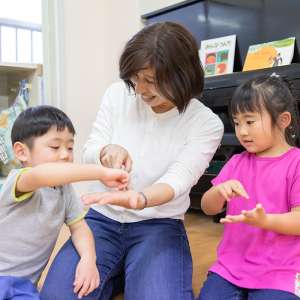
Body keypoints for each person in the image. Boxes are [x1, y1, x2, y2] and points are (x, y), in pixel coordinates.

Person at [41, 21, 224, 300]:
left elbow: (178, 179)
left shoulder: (205, 123)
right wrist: (107, 151)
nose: (139, 89)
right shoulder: (118, 94)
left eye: (150, 80)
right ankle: (128, 272)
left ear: (182, 75)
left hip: (159, 225)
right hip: (102, 220)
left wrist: (139, 199)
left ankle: (129, 271)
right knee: (57, 296)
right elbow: (92, 147)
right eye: (136, 78)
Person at [0, 105, 129, 300]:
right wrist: (101, 172)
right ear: (22, 152)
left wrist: (88, 259)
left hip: (24, 287)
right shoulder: (19, 180)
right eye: (55, 147)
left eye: (70, 147)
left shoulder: (64, 190)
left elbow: (80, 228)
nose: (65, 155)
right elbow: (44, 174)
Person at [198, 75, 300, 300]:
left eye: (250, 121)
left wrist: (265, 221)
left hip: (282, 270)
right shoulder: (236, 162)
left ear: (283, 120)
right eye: (236, 122)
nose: (242, 131)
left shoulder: (296, 163)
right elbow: (208, 208)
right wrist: (218, 191)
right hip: (231, 266)